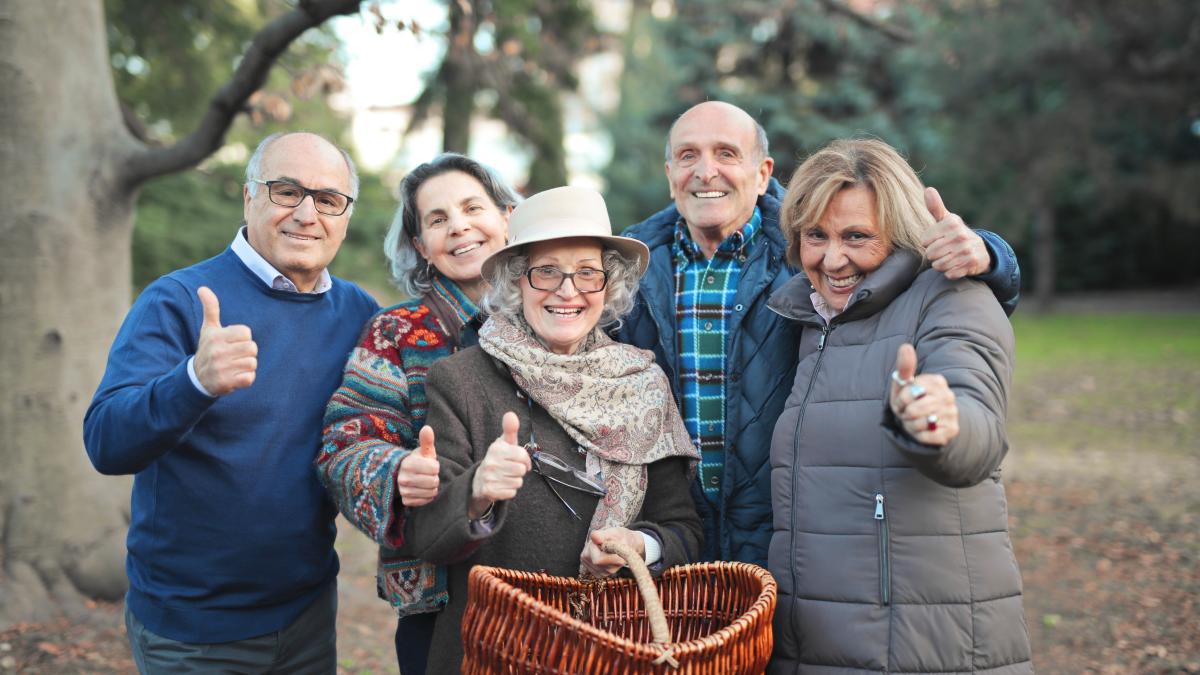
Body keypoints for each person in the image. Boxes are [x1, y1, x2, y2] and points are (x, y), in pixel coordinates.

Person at [616, 101, 1023, 567]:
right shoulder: (630, 267)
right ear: (670, 173)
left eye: (726, 153)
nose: (706, 171)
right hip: (670, 544)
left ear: (763, 170)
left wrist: (991, 254)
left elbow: (912, 270)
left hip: (790, 541)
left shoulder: (804, 247)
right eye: (688, 156)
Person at [83, 131, 380, 673]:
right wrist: (193, 380)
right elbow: (106, 442)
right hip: (194, 629)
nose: (307, 214)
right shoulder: (178, 300)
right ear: (250, 197)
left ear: (345, 215)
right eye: (286, 191)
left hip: (309, 613)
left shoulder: (357, 311)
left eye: (328, 200)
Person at [398, 185, 702, 673]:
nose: (568, 290)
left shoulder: (643, 384)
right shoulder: (460, 379)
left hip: (611, 651)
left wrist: (638, 546)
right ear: (518, 282)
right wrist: (475, 492)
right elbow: (429, 541)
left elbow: (683, 529)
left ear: (609, 285)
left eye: (587, 272)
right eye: (547, 272)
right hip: (491, 651)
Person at [765, 138, 1031, 673]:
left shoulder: (953, 297)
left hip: (920, 642)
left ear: (902, 234)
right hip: (817, 639)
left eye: (857, 237)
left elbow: (975, 430)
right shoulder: (808, 318)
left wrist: (937, 424)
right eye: (816, 235)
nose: (833, 258)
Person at [317, 153, 518, 675]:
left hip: (556, 586)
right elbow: (344, 444)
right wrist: (395, 470)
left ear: (507, 218)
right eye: (437, 219)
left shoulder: (559, 308)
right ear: (420, 247)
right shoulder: (396, 332)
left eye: (473, 207)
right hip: (441, 594)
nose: (459, 227)